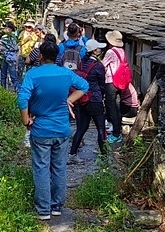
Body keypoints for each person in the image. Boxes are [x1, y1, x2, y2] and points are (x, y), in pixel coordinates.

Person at [17, 41, 89, 219]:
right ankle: (57, 206)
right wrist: (69, 100)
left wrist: (26, 121)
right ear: (57, 56)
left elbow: (22, 99)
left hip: (41, 129)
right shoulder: (65, 73)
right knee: (59, 168)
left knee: (41, 168)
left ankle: (43, 210)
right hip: (62, 129)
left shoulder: (33, 74)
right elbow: (84, 86)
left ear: (40, 56)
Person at [68, 38, 108, 162]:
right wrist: (102, 97)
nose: (100, 50)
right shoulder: (98, 66)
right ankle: (104, 155)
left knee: (81, 128)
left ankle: (72, 154)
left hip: (82, 98)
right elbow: (102, 84)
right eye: (99, 49)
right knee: (100, 128)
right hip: (95, 99)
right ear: (94, 51)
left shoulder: (81, 63)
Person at [102, 30, 129, 143]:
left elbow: (103, 65)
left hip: (111, 81)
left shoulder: (110, 52)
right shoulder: (121, 51)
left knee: (111, 106)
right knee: (116, 105)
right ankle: (115, 128)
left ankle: (116, 133)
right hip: (120, 82)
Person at [0, 21, 20, 89]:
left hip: (11, 58)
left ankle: (16, 91)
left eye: (7, 27)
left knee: (13, 76)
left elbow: (16, 47)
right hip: (3, 57)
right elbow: (1, 47)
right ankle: (3, 91)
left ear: (11, 28)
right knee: (3, 76)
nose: (5, 29)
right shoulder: (3, 37)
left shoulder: (14, 36)